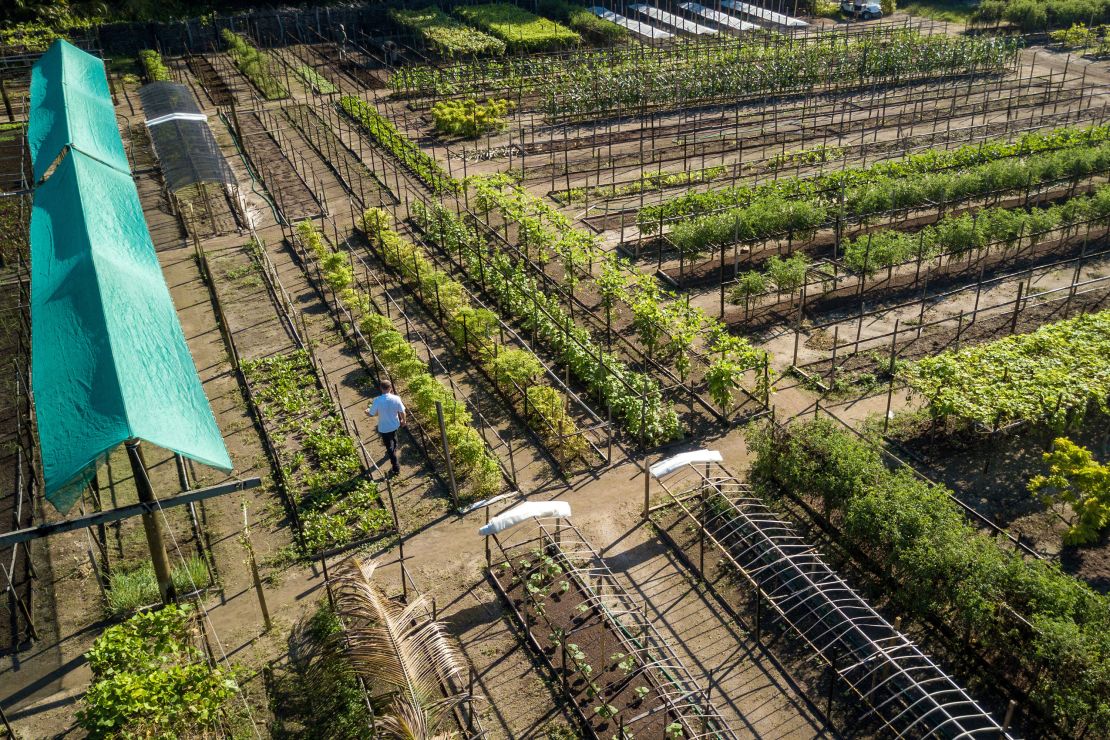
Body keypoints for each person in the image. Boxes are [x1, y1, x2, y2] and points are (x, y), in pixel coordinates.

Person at [367, 380, 406, 476]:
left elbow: (371, 414)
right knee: (393, 436)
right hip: (395, 424)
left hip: (384, 427)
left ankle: (396, 468)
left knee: (389, 447)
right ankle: (395, 447)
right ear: (390, 388)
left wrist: (366, 411)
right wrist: (403, 421)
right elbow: (402, 411)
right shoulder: (396, 398)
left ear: (381, 388)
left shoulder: (377, 400)